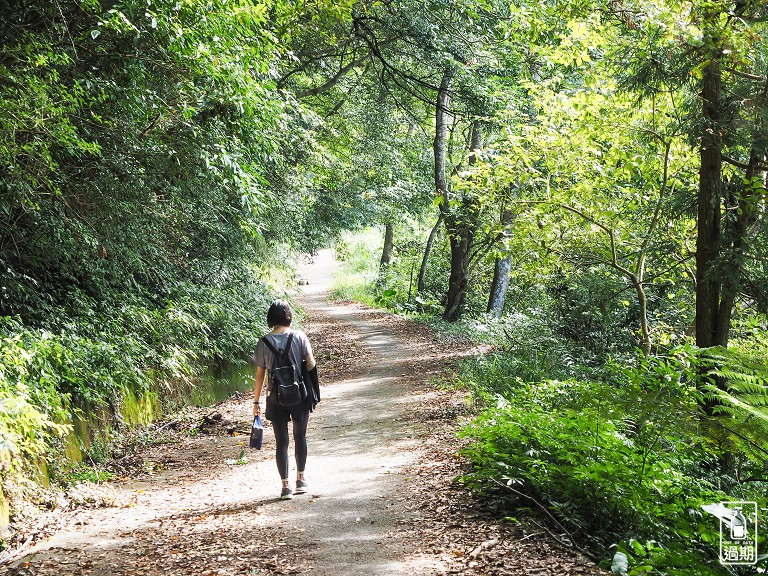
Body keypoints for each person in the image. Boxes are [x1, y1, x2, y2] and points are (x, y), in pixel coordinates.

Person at [252, 299, 317, 500]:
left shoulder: (264, 342)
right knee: (300, 437)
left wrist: (256, 403)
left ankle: (285, 487)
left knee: (282, 442)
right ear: (289, 316)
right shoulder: (300, 337)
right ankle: (301, 480)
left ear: (271, 318)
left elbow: (260, 376)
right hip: (299, 395)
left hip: (275, 396)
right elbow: (311, 364)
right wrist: (313, 390)